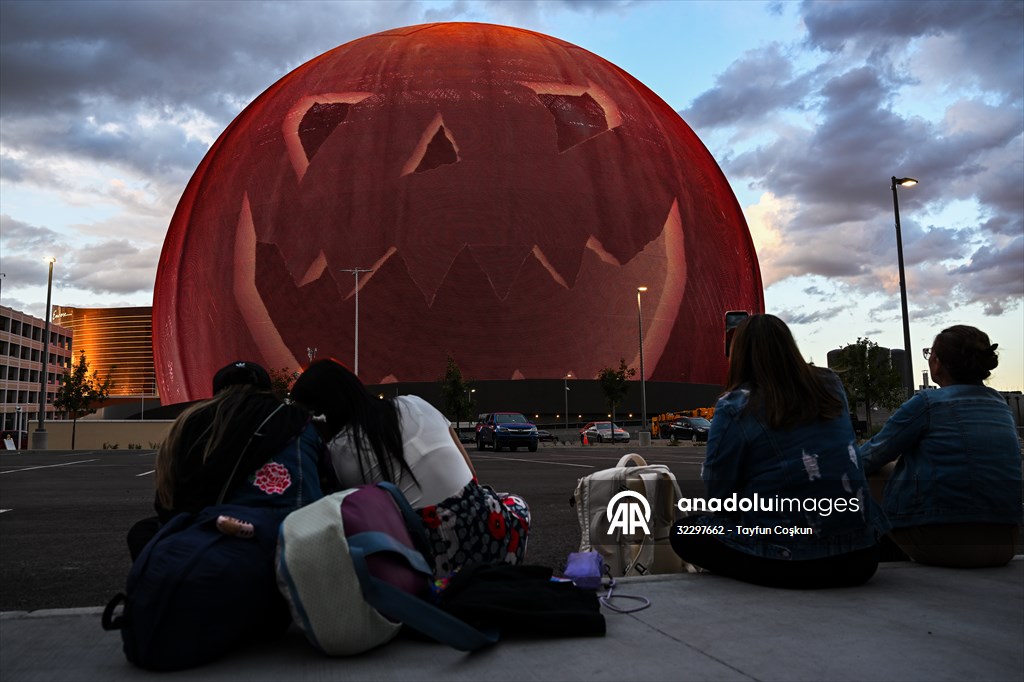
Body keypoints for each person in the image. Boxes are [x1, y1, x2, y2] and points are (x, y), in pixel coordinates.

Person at [670, 314, 888, 588]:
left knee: (685, 531)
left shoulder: (735, 406)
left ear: (739, 355)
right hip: (862, 557)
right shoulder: (830, 384)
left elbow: (721, 495)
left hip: (792, 561)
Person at [289, 358, 530, 576]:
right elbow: (471, 474)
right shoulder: (414, 404)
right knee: (515, 503)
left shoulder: (339, 452)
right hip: (491, 529)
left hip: (430, 555)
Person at [859, 325, 1022, 568]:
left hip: (946, 544)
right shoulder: (999, 404)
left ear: (937, 363)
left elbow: (869, 456)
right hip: (1006, 542)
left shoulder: (926, 403)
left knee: (873, 473)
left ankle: (853, 553)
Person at [127, 361, 325, 560]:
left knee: (142, 532)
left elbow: (168, 494)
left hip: (215, 533)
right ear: (266, 389)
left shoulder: (191, 420)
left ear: (218, 389)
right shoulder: (297, 419)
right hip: (297, 532)